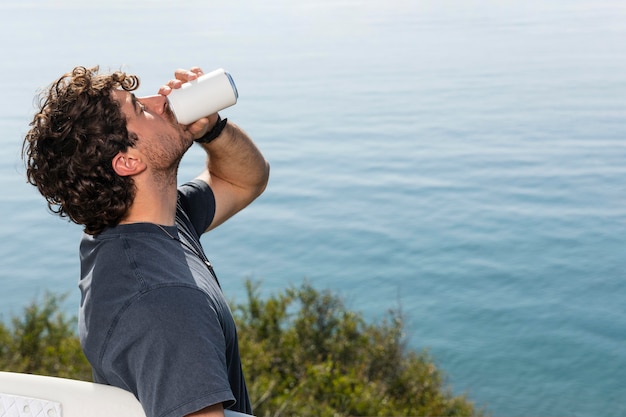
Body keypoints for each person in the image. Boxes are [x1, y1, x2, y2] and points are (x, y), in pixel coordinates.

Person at [22, 65, 270, 417]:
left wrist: (212, 130)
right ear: (127, 161)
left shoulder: (137, 229)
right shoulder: (163, 300)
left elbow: (244, 180)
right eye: (140, 108)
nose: (161, 100)